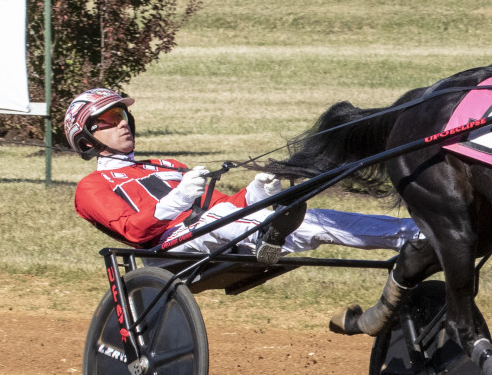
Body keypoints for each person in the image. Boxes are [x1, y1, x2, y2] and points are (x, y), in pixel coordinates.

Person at [66, 88, 422, 268]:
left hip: (216, 231)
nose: (122, 123)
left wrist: (255, 191)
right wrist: (177, 201)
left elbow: (226, 207)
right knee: (225, 219)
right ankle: (269, 234)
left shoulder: (164, 164)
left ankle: (416, 236)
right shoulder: (91, 187)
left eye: (122, 115)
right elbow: (133, 231)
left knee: (311, 218)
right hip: (167, 250)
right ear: (86, 139)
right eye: (108, 120)